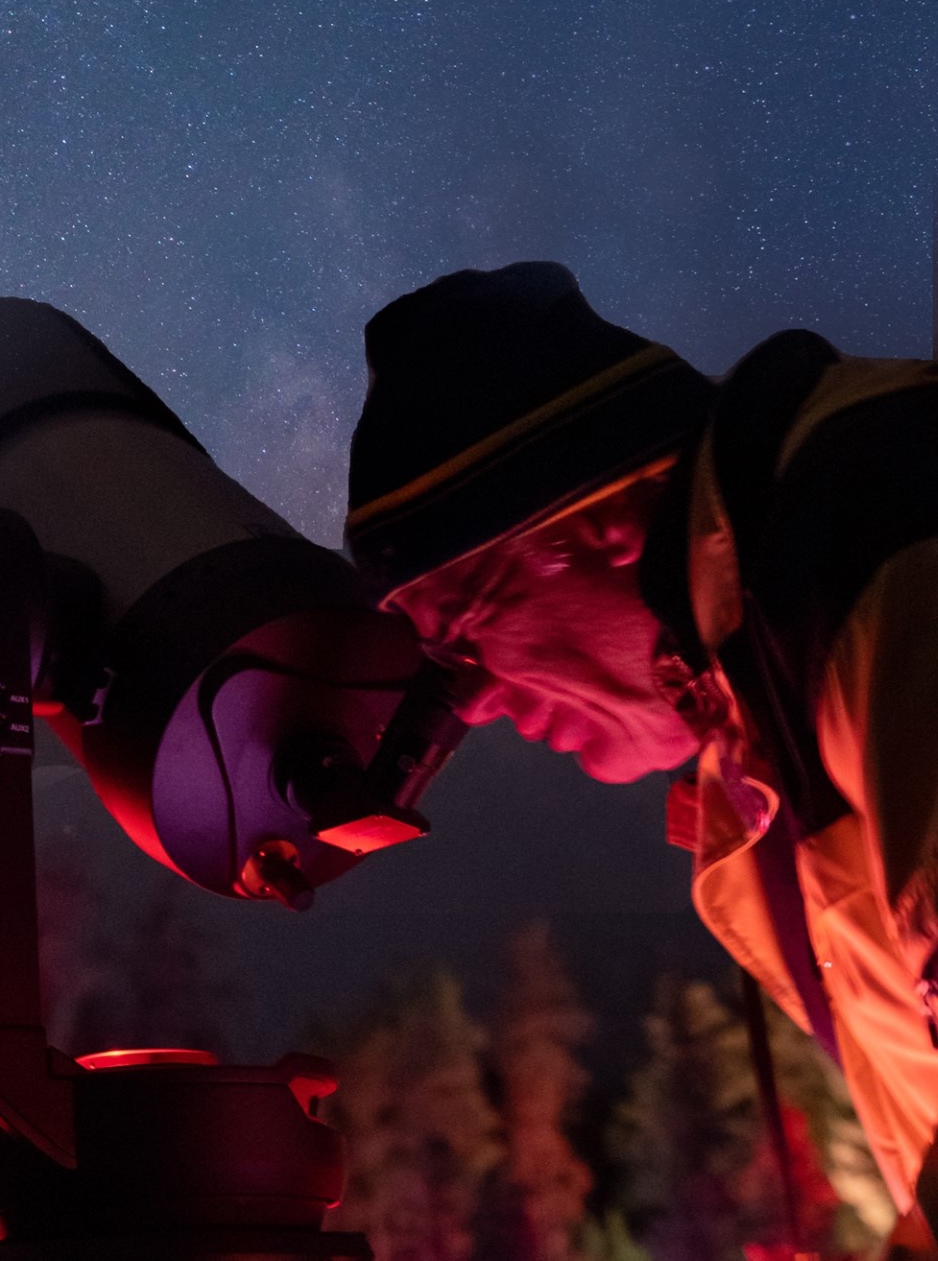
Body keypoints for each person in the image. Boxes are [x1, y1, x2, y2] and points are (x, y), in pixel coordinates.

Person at [342, 261, 938, 1254]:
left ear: (604, 523)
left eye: (463, 628)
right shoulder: (772, 672)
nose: (479, 701)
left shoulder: (875, 533)